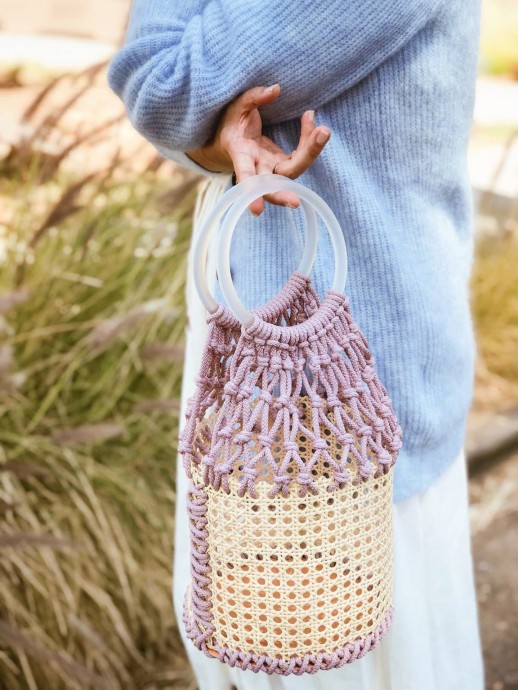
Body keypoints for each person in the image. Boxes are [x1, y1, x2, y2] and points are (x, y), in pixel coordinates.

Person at [107, 1, 485, 688]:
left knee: (350, 651)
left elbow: (163, 79)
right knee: (259, 642)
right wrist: (212, 138)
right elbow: (166, 94)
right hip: (249, 338)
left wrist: (190, 105)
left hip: (362, 371)